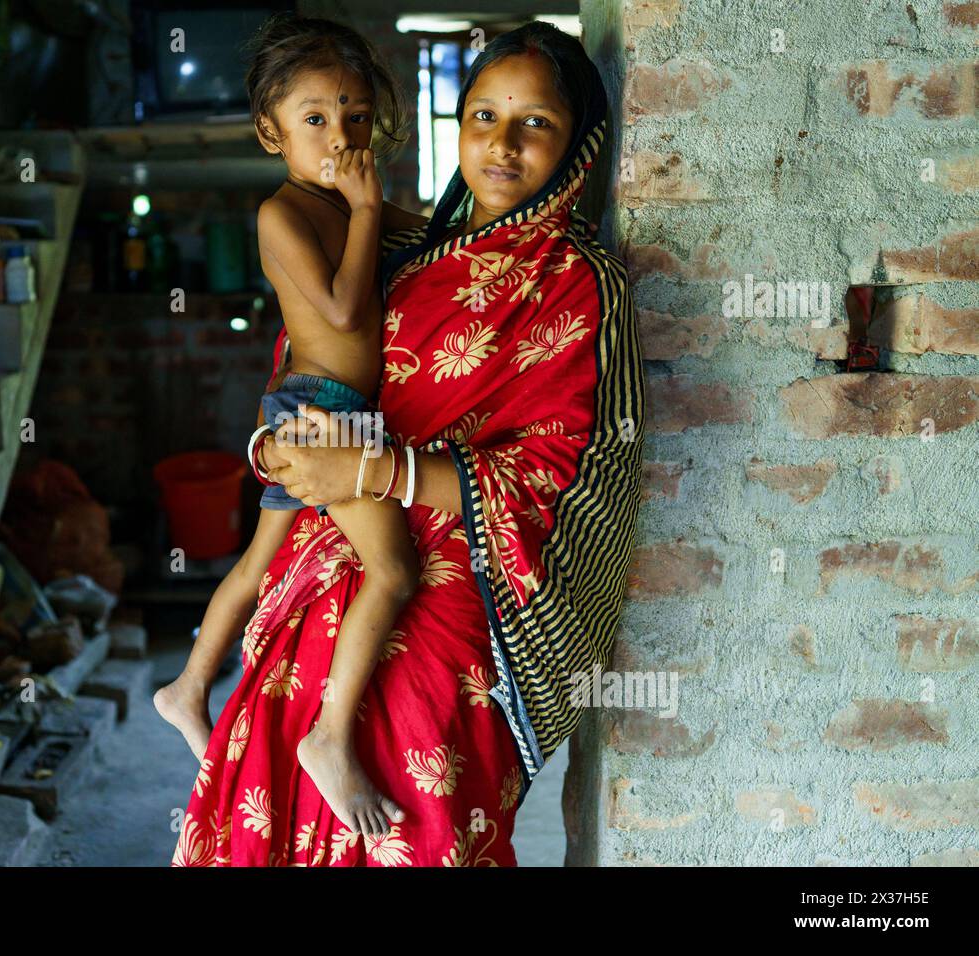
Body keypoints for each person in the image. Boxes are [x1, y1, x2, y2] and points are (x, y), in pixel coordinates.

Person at [172, 19, 645, 867]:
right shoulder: (404, 248)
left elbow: (553, 478)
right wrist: (275, 453)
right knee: (274, 770)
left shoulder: (577, 283)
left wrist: (369, 467)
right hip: (332, 535)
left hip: (469, 575)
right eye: (483, 116)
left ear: (580, 147)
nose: (502, 144)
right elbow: (307, 364)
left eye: (535, 122)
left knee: (413, 795)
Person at [155, 13, 429, 837]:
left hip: (313, 410)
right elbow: (345, 307)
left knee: (257, 564)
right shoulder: (285, 213)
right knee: (394, 573)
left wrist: (391, 216)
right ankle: (329, 739)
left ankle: (188, 688)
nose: (338, 138)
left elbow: (423, 248)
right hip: (323, 417)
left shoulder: (343, 204)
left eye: (354, 118)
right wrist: (370, 208)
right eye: (315, 120)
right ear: (271, 131)